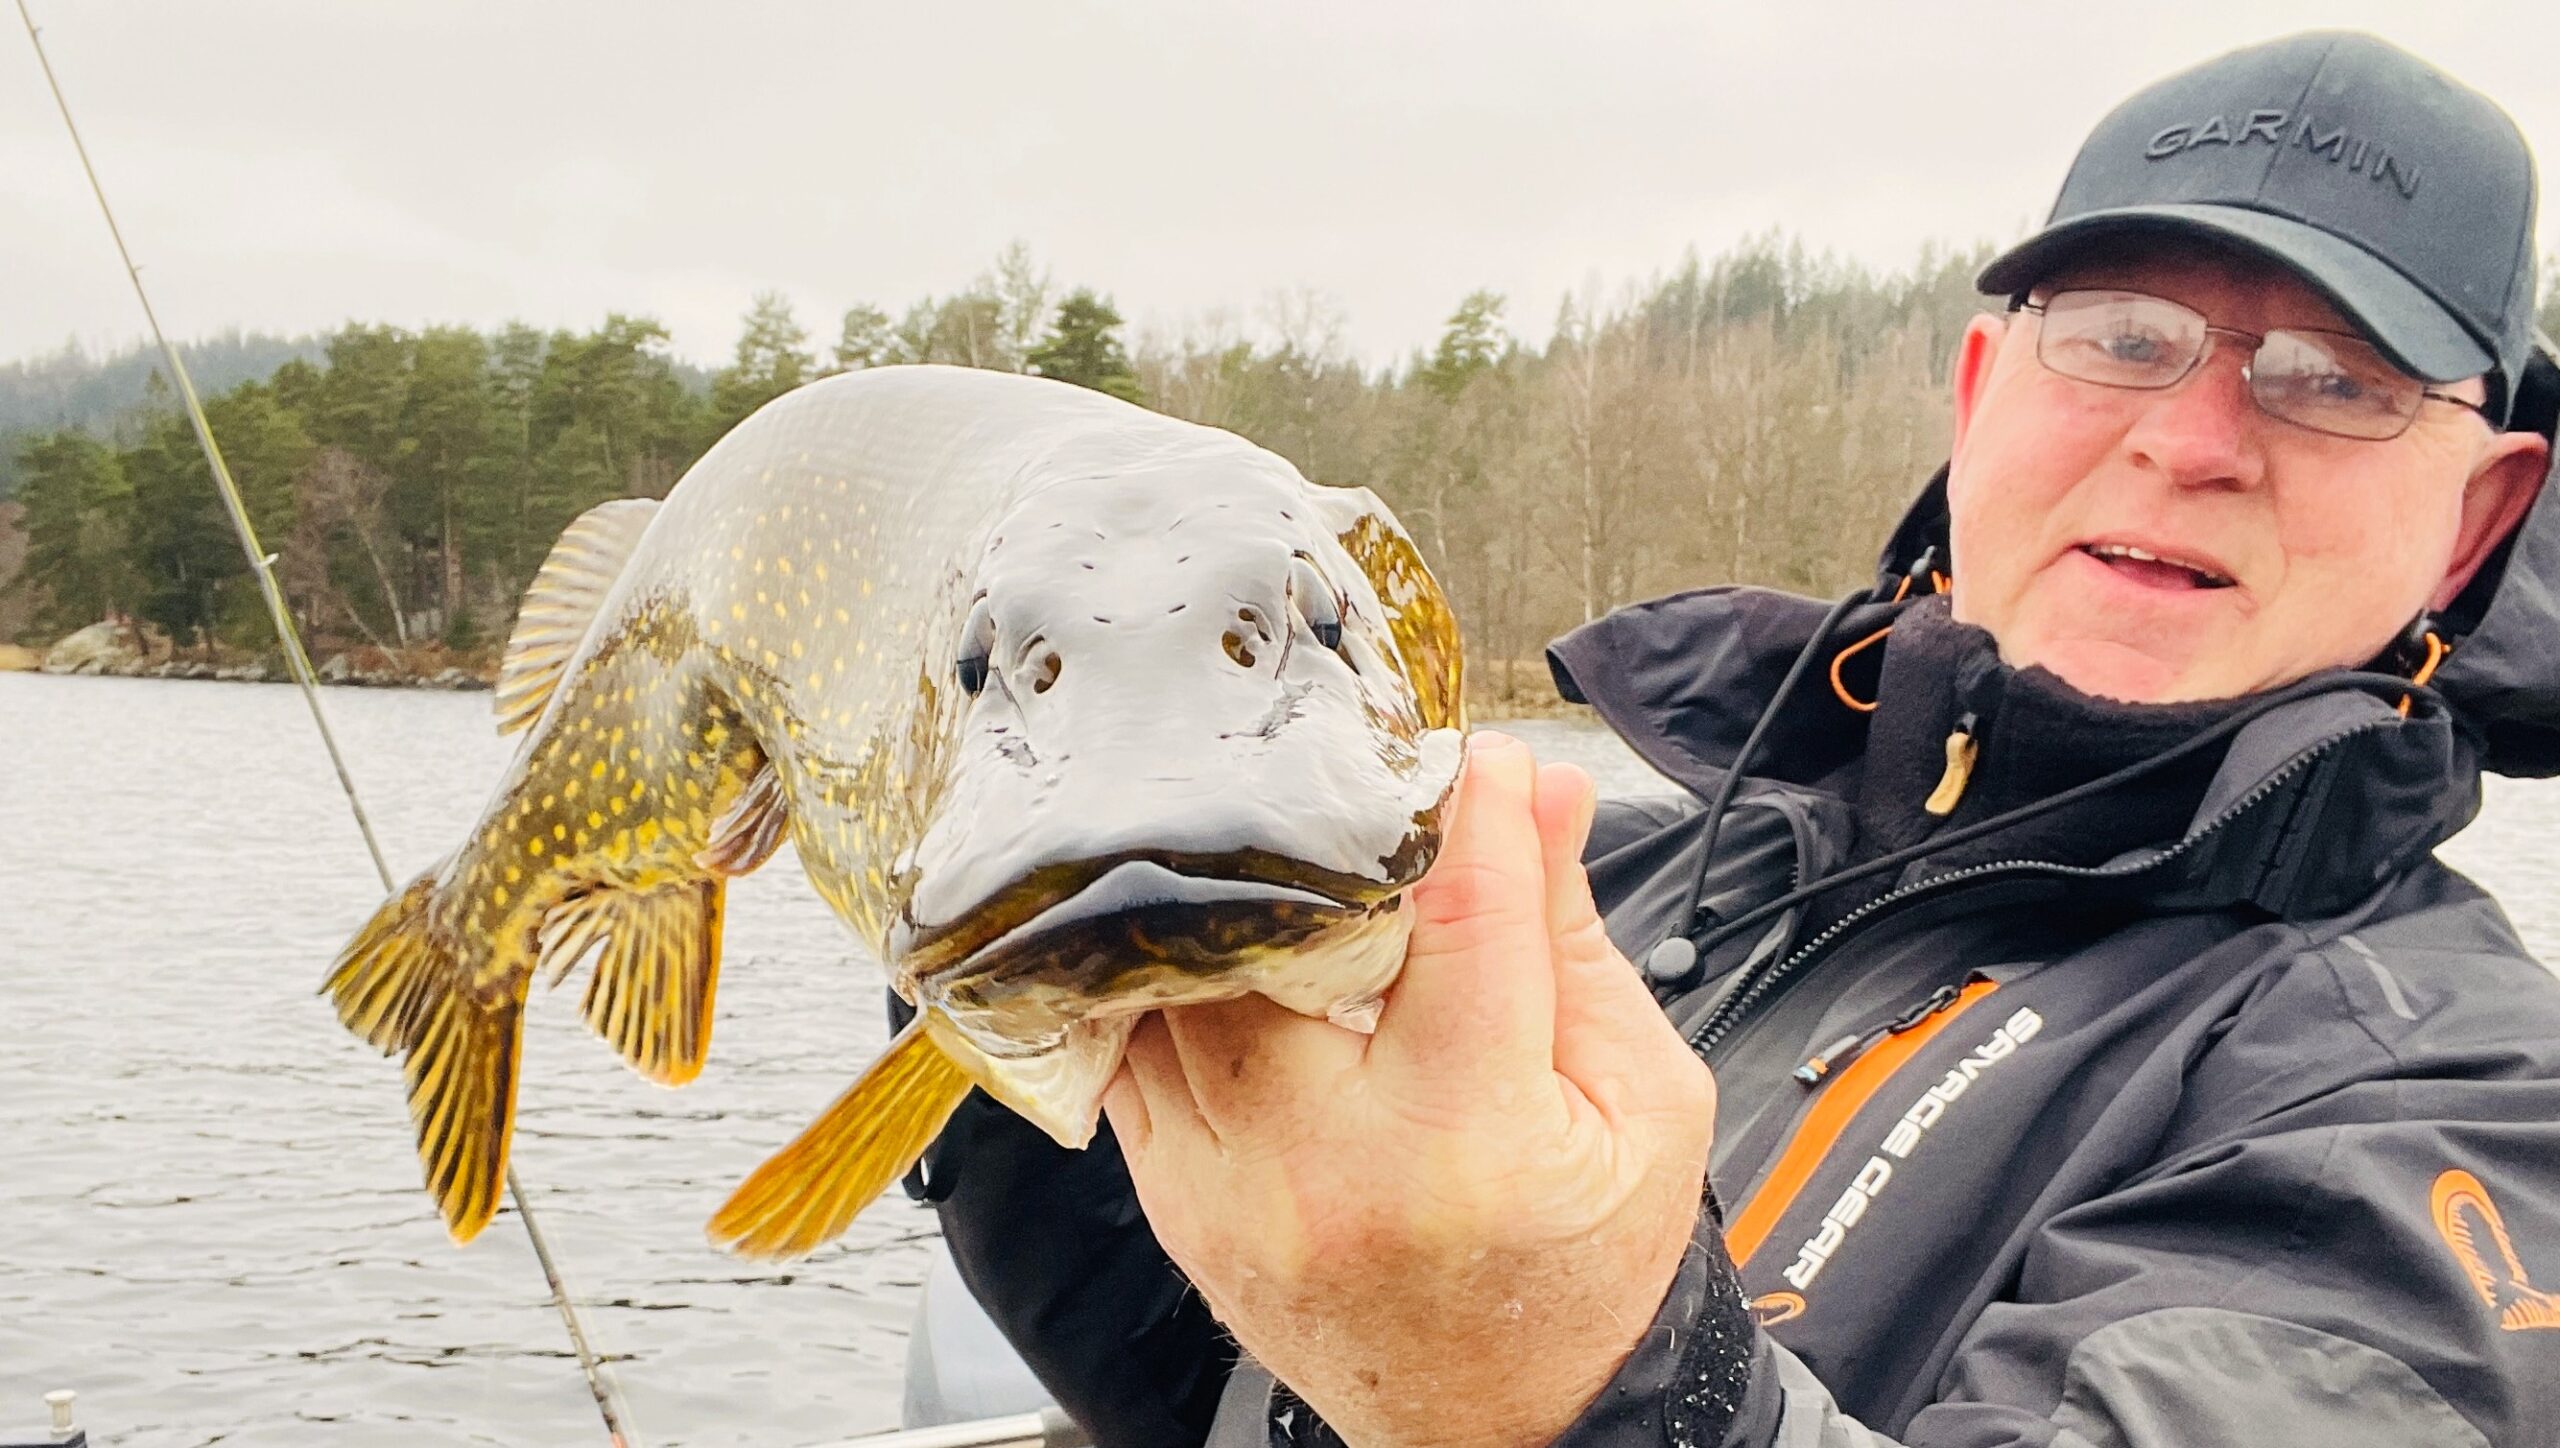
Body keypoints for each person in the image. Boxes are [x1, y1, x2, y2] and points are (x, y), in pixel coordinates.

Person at [913, 31, 2560, 1447]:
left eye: (2332, 380)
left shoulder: (2460, 1110)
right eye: (2123, 336)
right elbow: (1211, 1383)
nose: (2196, 440)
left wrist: (1578, 1388)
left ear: (2479, 521)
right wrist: (1029, 957)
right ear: (1984, 390)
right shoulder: (1618, 872)